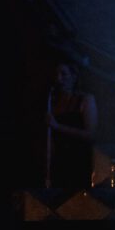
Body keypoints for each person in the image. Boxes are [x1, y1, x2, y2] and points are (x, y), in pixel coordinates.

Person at [45, 60, 98, 194]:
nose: (58, 79)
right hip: (59, 161)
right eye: (56, 74)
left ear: (74, 77)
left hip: (79, 160)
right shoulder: (53, 101)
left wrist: (58, 127)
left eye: (63, 74)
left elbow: (91, 134)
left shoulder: (86, 99)